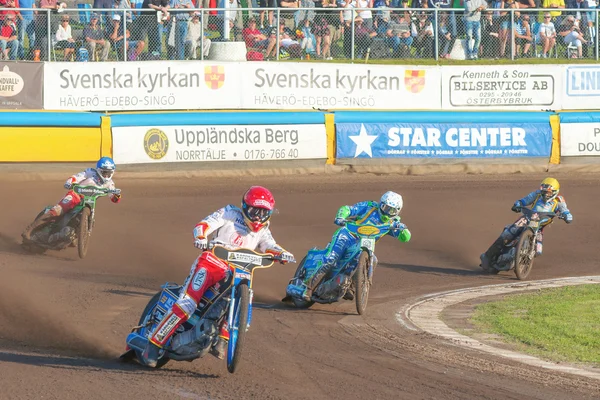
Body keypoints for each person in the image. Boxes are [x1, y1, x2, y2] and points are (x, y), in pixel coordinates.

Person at [142, 186, 295, 367]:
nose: (257, 217)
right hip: (211, 262)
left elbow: (269, 245)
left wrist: (282, 253)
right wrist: (200, 237)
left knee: (242, 296)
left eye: (263, 212)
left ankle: (223, 337)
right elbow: (204, 225)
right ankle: (153, 344)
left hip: (239, 270)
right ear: (245, 207)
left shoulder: (263, 229)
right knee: (187, 303)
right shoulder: (229, 213)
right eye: (254, 211)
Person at [301, 191, 411, 302]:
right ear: (380, 204)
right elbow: (348, 209)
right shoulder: (369, 207)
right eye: (385, 207)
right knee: (331, 258)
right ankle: (308, 288)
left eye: (391, 210)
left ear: (397, 211)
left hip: (364, 245)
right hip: (348, 235)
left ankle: (352, 287)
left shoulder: (394, 223)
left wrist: (404, 230)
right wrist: (341, 217)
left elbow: (405, 238)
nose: (387, 212)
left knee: (374, 260)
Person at [480, 177, 573, 269]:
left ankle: (521, 262)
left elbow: (565, 210)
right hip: (526, 219)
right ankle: (487, 256)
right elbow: (524, 200)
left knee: (538, 251)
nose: (545, 194)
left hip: (539, 227)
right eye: (544, 191)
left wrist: (567, 215)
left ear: (554, 192)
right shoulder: (537, 194)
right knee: (508, 233)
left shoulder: (559, 200)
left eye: (548, 192)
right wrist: (518, 204)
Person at [21, 157, 121, 242]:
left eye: (109, 173)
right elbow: (76, 177)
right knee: (57, 211)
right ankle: (29, 230)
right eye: (104, 172)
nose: (106, 175)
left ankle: (74, 237)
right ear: (99, 170)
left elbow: (113, 196)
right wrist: (70, 182)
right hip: (75, 196)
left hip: (90, 202)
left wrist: (116, 196)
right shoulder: (91, 172)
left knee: (91, 221)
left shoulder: (110, 183)